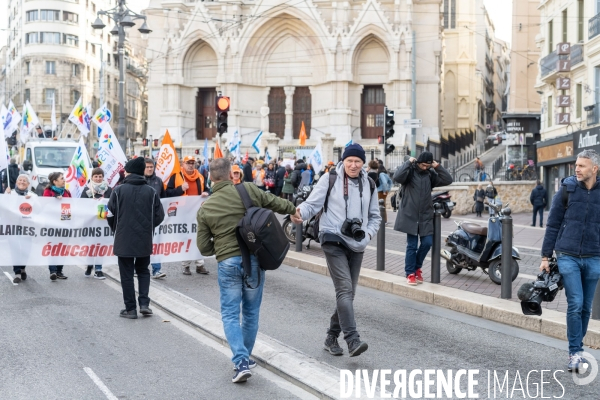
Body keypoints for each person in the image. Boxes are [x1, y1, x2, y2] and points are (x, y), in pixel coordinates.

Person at [196, 158, 299, 383]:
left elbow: (203, 248)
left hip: (227, 263)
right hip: (253, 259)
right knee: (251, 312)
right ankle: (246, 357)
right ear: (232, 174)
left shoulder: (206, 208)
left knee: (231, 314)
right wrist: (293, 210)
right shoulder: (248, 190)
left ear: (210, 178)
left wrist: (221, 245)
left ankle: (240, 360)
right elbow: (273, 201)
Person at [293, 144, 381, 357]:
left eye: (357, 161)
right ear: (344, 161)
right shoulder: (329, 178)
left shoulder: (369, 183)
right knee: (344, 289)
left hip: (357, 242)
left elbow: (376, 216)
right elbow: (312, 204)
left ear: (363, 163)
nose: (353, 165)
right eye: (350, 160)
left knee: (348, 294)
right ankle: (352, 340)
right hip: (332, 237)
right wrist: (299, 213)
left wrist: (368, 234)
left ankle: (331, 337)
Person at [540, 149, 600, 372]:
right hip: (567, 255)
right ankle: (575, 352)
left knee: (586, 307)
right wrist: (546, 256)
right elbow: (553, 223)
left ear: (595, 169)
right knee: (575, 303)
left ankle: (578, 347)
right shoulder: (567, 188)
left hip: (594, 256)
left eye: (582, 166)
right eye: (576, 165)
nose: (577, 169)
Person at [107, 157, 165, 319]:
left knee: (126, 274)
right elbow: (159, 216)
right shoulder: (151, 192)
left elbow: (110, 214)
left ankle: (131, 309)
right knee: (143, 271)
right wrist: (149, 227)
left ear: (130, 172)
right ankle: (144, 304)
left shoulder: (118, 191)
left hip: (123, 238)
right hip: (144, 237)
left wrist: (116, 229)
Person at [393, 151, 453, 285]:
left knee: (427, 243)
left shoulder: (430, 174)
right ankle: (410, 273)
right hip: (410, 215)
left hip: (425, 215)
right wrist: (408, 163)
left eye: (428, 166)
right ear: (418, 162)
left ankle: (416, 267)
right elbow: (397, 177)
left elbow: (448, 180)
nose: (425, 168)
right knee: (412, 245)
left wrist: (438, 167)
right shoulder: (410, 172)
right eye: (423, 165)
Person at [167, 155, 210, 275]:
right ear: (183, 164)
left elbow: (207, 189)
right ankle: (185, 265)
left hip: (197, 213)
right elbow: (168, 193)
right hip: (182, 213)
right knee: (185, 239)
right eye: (188, 163)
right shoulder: (176, 176)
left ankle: (200, 265)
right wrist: (180, 188)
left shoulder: (200, 177)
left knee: (199, 237)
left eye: (193, 163)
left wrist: (206, 192)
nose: (191, 165)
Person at [81, 168, 113, 280]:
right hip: (90, 223)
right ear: (92, 177)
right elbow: (81, 205)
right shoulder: (87, 190)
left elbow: (113, 203)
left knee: (100, 246)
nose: (98, 178)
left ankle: (98, 269)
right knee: (91, 246)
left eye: (100, 176)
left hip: (103, 222)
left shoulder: (108, 190)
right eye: (96, 176)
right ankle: (89, 265)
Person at [43, 172, 72, 281]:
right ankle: (53, 271)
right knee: (53, 248)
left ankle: (59, 271)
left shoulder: (67, 192)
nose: (64, 180)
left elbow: (72, 206)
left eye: (63, 178)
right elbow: (44, 205)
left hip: (65, 224)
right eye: (61, 178)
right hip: (52, 225)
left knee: (62, 248)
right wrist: (54, 199)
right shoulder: (48, 191)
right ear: (55, 181)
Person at [9, 174, 36, 283]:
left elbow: (38, 210)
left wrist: (31, 201)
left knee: (26, 249)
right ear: (16, 182)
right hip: (13, 226)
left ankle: (23, 268)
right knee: (15, 249)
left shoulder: (33, 195)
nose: (22, 182)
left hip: (27, 227)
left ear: (28, 184)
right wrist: (6, 195)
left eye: (25, 180)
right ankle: (17, 273)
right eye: (20, 180)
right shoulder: (9, 193)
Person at [145, 158, 167, 279]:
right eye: (147, 167)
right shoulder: (139, 181)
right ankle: (137, 268)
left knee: (156, 244)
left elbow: (164, 198)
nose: (149, 169)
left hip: (154, 219)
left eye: (151, 167)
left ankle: (156, 269)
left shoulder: (158, 181)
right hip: (141, 219)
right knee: (141, 245)